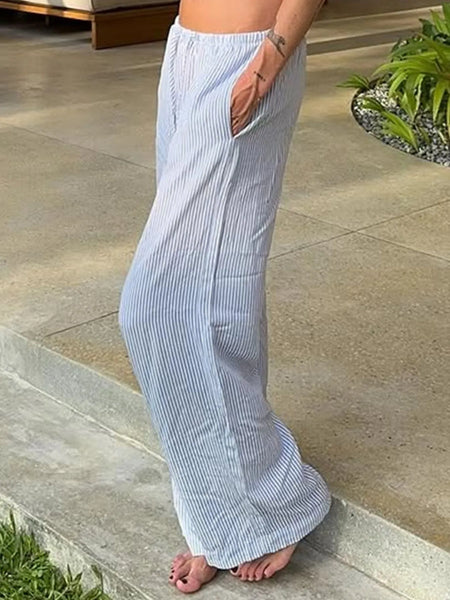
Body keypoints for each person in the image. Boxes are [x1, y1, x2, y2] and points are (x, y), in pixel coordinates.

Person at [118, 0, 330, 594]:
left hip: (250, 56)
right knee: (216, 293)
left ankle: (271, 503)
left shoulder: (259, 66)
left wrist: (264, 67)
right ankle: (220, 518)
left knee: (154, 305)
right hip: (186, 50)